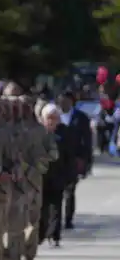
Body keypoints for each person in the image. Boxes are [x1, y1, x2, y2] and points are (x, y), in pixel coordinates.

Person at [39, 103, 75, 247]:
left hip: (58, 175)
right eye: (49, 117)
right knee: (41, 207)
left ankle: (54, 235)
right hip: (41, 176)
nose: (52, 120)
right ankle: (40, 234)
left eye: (55, 117)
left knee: (56, 207)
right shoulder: (39, 133)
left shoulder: (65, 132)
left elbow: (69, 155)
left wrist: (70, 175)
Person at [56, 90, 92, 229]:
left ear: (71, 102)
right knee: (57, 190)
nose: (63, 103)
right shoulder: (54, 116)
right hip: (56, 159)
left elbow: (87, 140)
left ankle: (68, 219)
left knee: (70, 190)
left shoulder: (81, 118)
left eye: (66, 101)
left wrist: (86, 160)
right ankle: (55, 220)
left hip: (73, 159)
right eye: (61, 101)